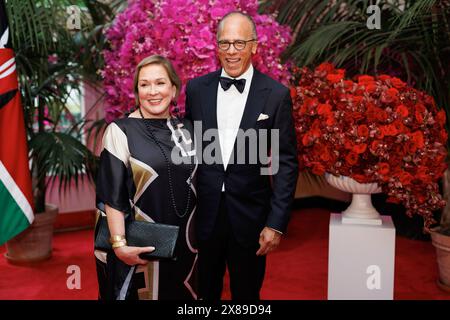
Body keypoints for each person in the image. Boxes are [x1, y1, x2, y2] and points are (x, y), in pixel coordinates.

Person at [185, 11, 299, 300]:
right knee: (202, 292)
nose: (231, 51)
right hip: (204, 214)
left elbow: (285, 163)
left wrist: (276, 222)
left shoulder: (275, 94)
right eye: (225, 43)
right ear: (216, 46)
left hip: (251, 217)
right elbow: (187, 149)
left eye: (239, 43)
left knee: (247, 295)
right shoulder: (197, 89)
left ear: (254, 46)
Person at [95, 55, 198, 300]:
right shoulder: (120, 131)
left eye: (160, 83)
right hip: (139, 248)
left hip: (188, 246)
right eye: (144, 84)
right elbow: (112, 196)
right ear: (136, 90)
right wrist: (120, 247)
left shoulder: (190, 130)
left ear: (173, 89)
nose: (153, 91)